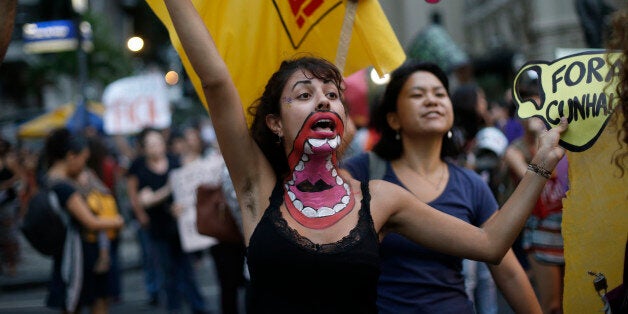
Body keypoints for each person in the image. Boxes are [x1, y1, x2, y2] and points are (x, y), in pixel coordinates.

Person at [163, 1, 567, 312]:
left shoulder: (380, 198)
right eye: (304, 95)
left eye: (332, 96)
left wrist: (541, 164)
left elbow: (491, 243)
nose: (323, 100)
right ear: (274, 123)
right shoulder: (257, 187)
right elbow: (216, 81)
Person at [342, 61, 540, 314]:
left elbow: (509, 274)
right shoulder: (360, 172)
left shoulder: (470, 184)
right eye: (417, 94)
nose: (432, 101)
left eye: (439, 94)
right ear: (393, 119)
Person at [40, 128, 124, 313]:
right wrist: (117, 221)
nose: (84, 165)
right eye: (83, 159)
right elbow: (91, 222)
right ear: (71, 156)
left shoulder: (49, 179)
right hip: (80, 251)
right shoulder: (63, 186)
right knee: (87, 300)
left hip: (72, 250)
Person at [126, 127, 209, 314]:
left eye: (158, 142)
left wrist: (181, 206)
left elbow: (186, 189)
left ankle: (198, 306)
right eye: (151, 144)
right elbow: (144, 200)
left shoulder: (174, 162)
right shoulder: (141, 168)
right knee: (167, 271)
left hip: (180, 227)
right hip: (158, 228)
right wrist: (167, 190)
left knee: (187, 269)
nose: (156, 147)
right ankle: (174, 308)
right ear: (144, 148)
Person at [0, 137, 21, 277]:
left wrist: (6, 184)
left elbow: (19, 176)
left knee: (8, 234)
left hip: (7, 201)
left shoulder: (9, 161)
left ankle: (11, 263)